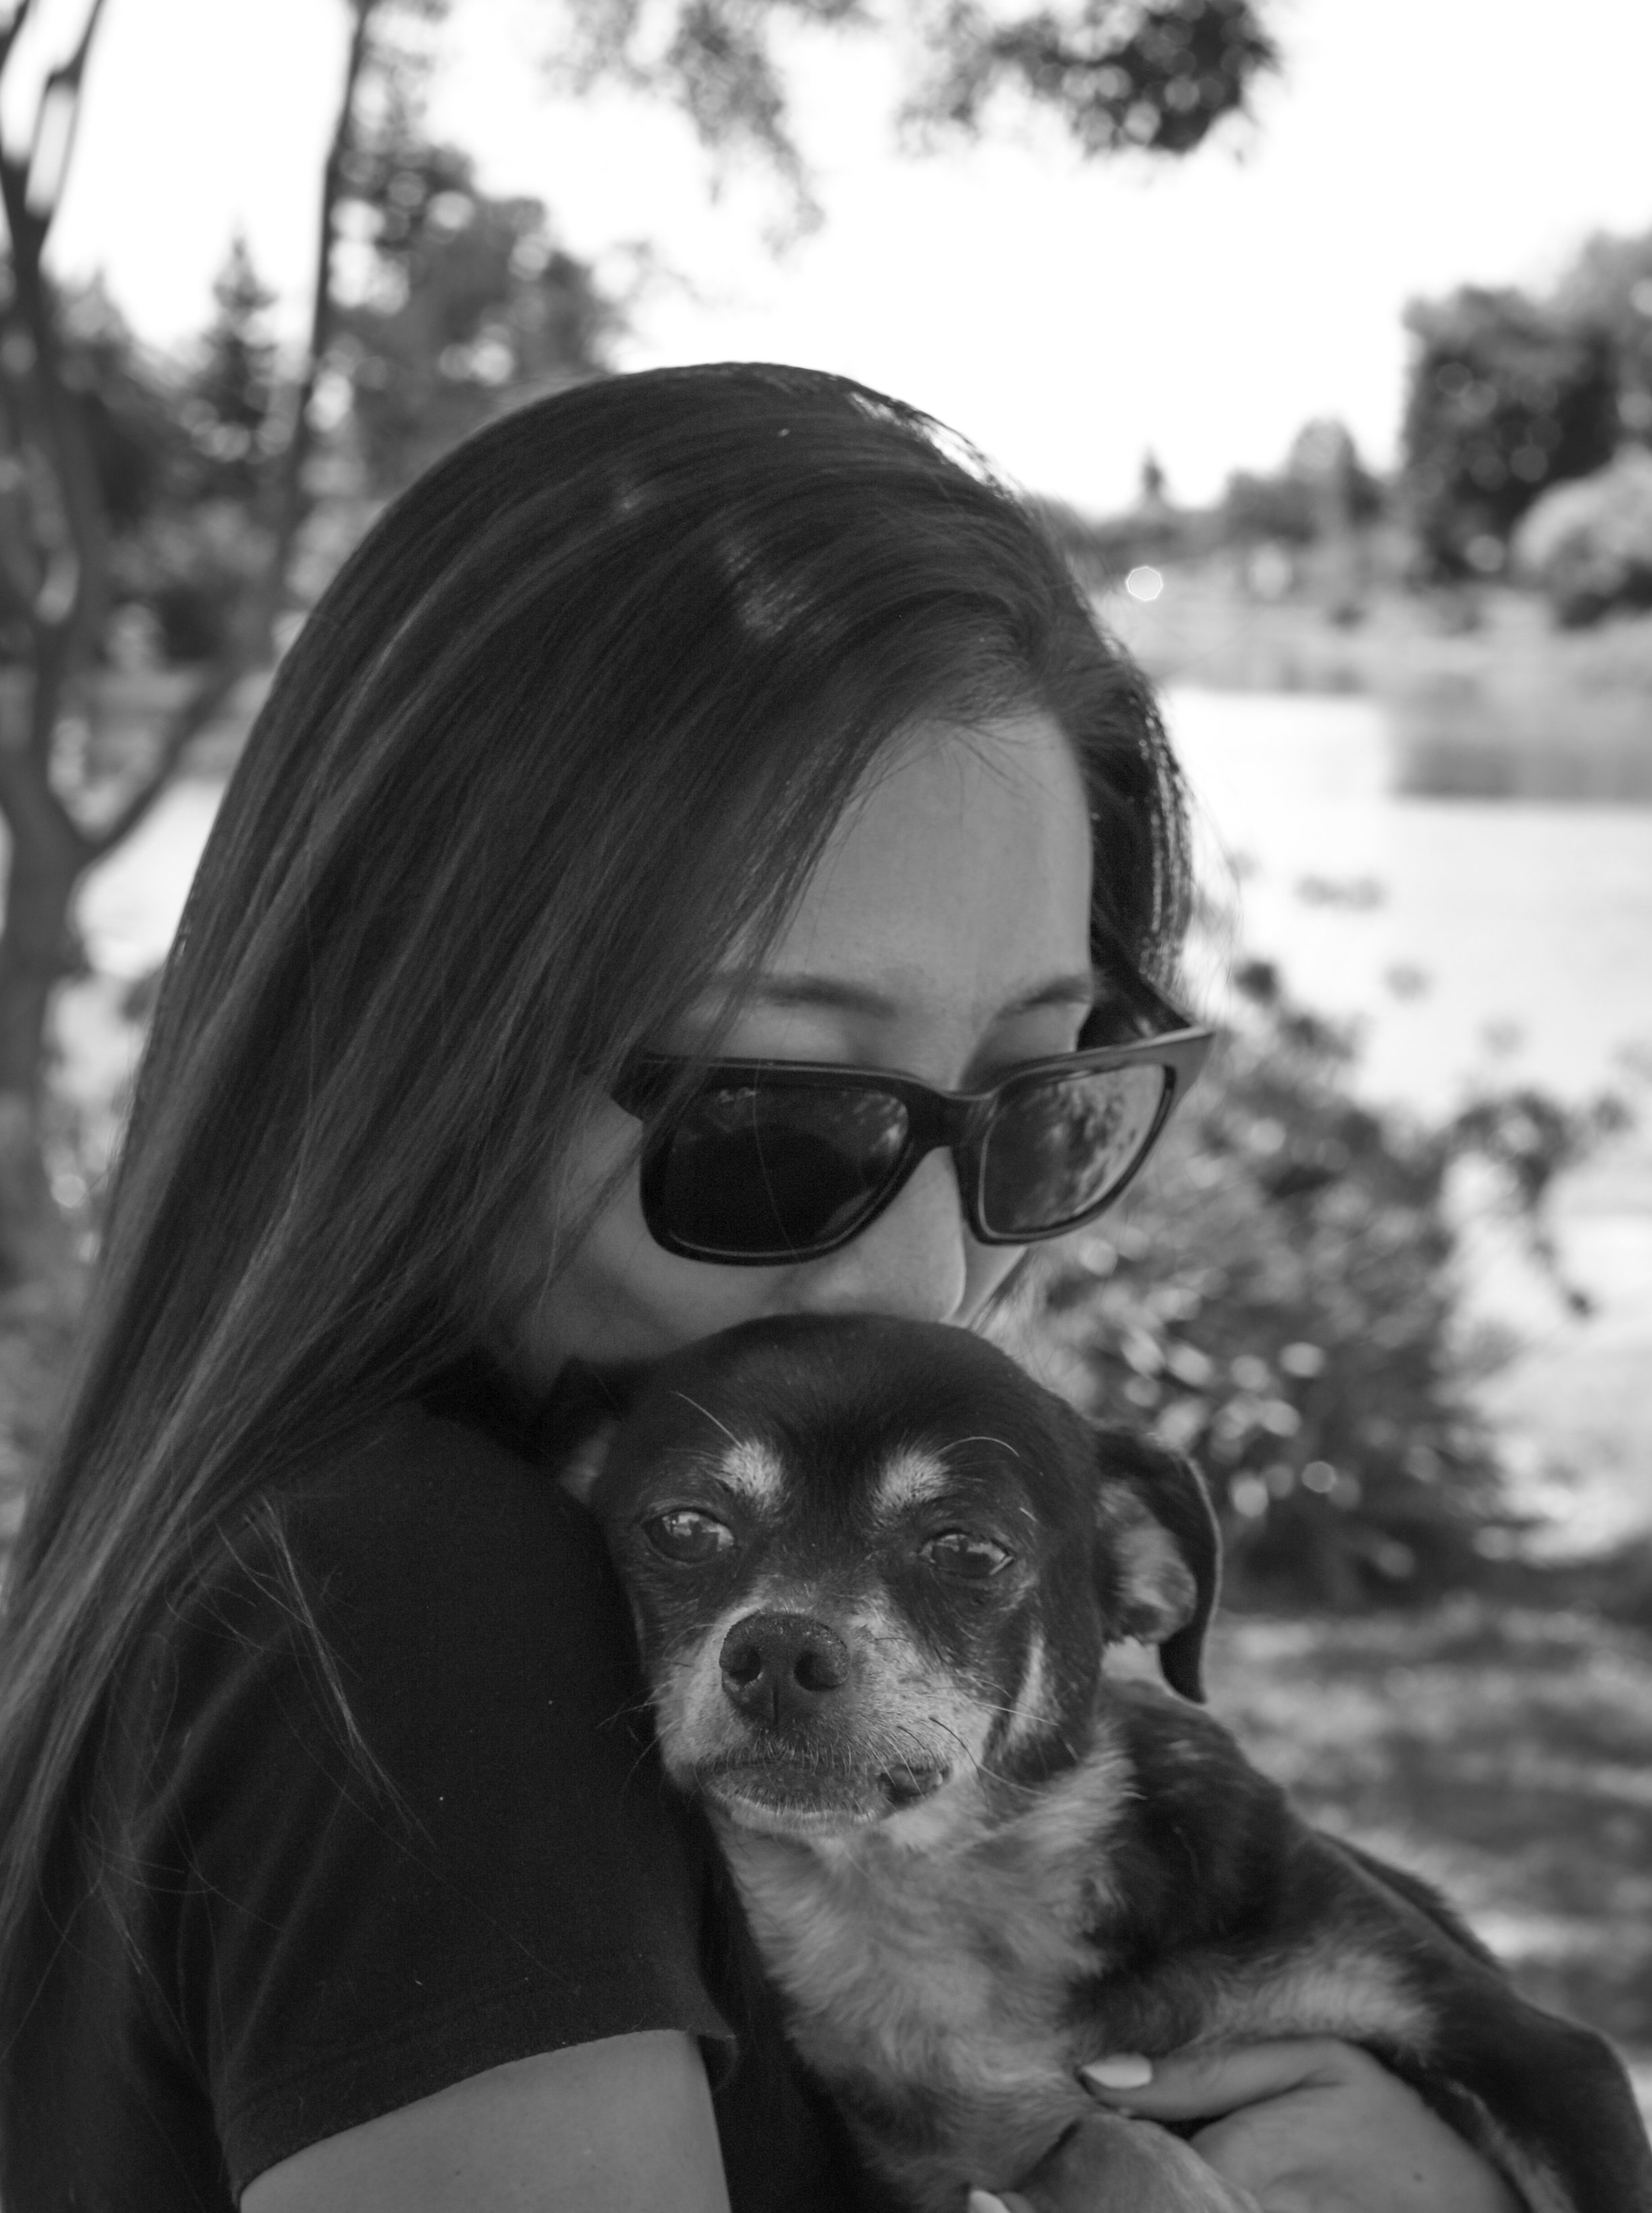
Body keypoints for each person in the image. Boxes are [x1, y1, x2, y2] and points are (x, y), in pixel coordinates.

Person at [0, 365, 1519, 2212]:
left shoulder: (267, 1564)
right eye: (773, 1115)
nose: (921, 1270)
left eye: (1035, 1106)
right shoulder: (425, 1617)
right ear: (414, 1052)